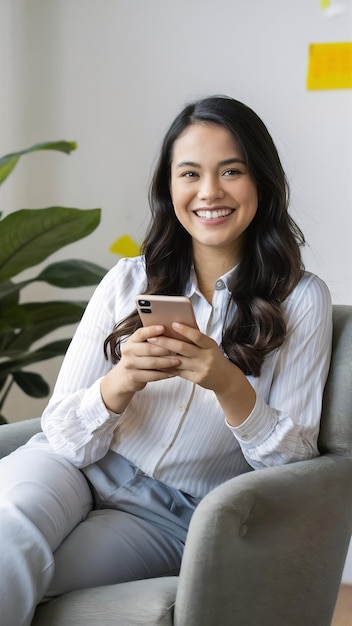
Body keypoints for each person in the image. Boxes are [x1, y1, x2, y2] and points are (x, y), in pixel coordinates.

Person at [0, 95, 332, 625]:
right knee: (7, 537)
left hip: (168, 514)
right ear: (169, 188)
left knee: (43, 570)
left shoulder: (300, 300)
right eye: (190, 173)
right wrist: (121, 382)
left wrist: (227, 382)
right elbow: (60, 432)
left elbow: (293, 464)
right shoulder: (129, 280)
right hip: (73, 467)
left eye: (231, 171)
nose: (209, 192)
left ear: (262, 184)